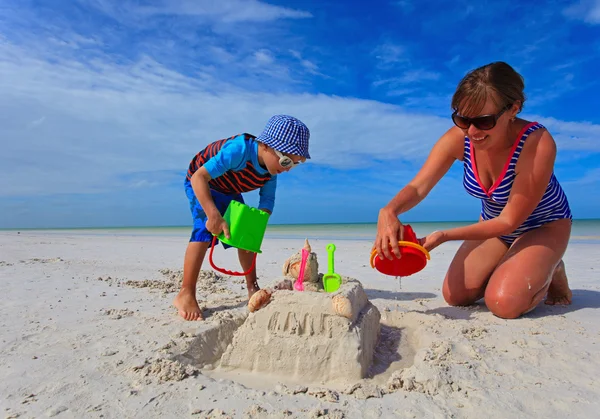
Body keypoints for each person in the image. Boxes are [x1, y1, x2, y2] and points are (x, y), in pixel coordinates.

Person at [373, 61, 573, 319]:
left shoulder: (536, 142)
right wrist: (389, 211)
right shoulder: (460, 137)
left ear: (513, 109)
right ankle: (517, 264)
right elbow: (419, 187)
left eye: (484, 121)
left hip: (544, 226)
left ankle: (552, 267)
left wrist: (443, 235)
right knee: (455, 295)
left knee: (504, 303)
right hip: (493, 226)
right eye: (462, 119)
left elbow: (510, 220)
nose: (472, 131)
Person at [174, 115, 311, 321]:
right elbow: (198, 178)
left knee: (247, 233)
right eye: (285, 161)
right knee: (204, 230)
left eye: (295, 164)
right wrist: (213, 214)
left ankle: (252, 286)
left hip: (229, 188)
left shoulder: (271, 172)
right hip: (202, 182)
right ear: (265, 146)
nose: (288, 168)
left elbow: (266, 202)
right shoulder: (239, 151)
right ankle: (186, 292)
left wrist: (255, 229)